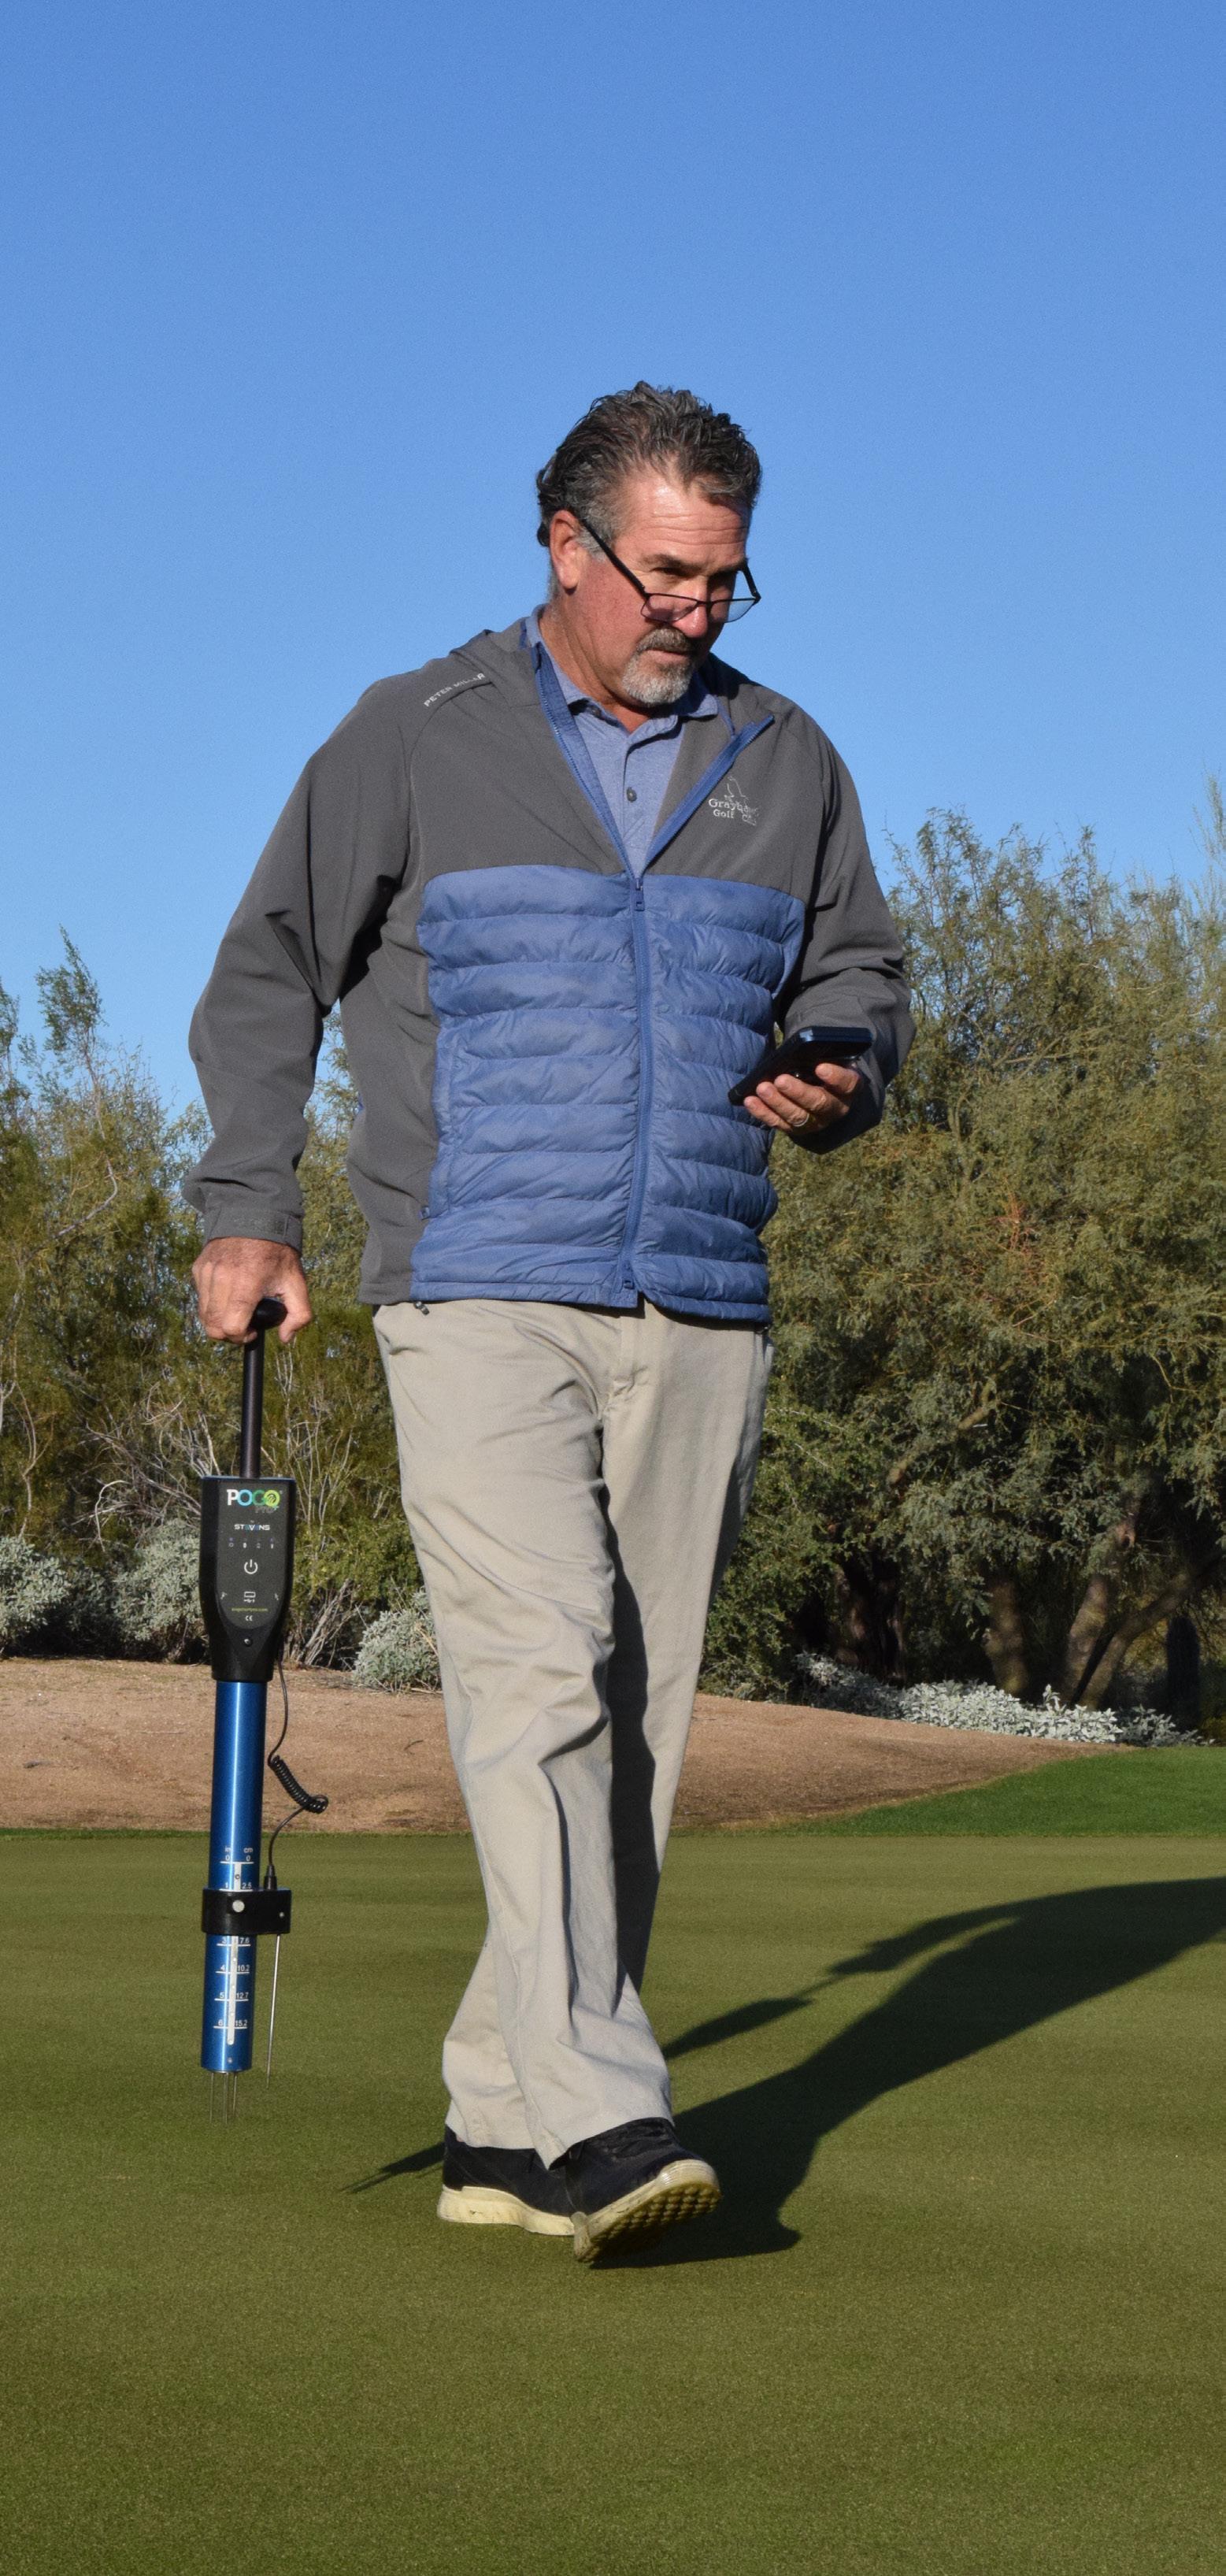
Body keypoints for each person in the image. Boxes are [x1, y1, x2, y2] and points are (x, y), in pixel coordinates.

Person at [186, 383, 913, 2262]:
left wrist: (843, 1063)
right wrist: (247, 1207)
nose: (694, 610)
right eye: (664, 574)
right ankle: (601, 2111)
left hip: (702, 1291)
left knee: (634, 1723)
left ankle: (502, 2125)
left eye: (723, 580)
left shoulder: (786, 756)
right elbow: (270, 970)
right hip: (477, 1278)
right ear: (563, 543)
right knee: (538, 1671)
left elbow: (859, 971)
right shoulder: (415, 733)